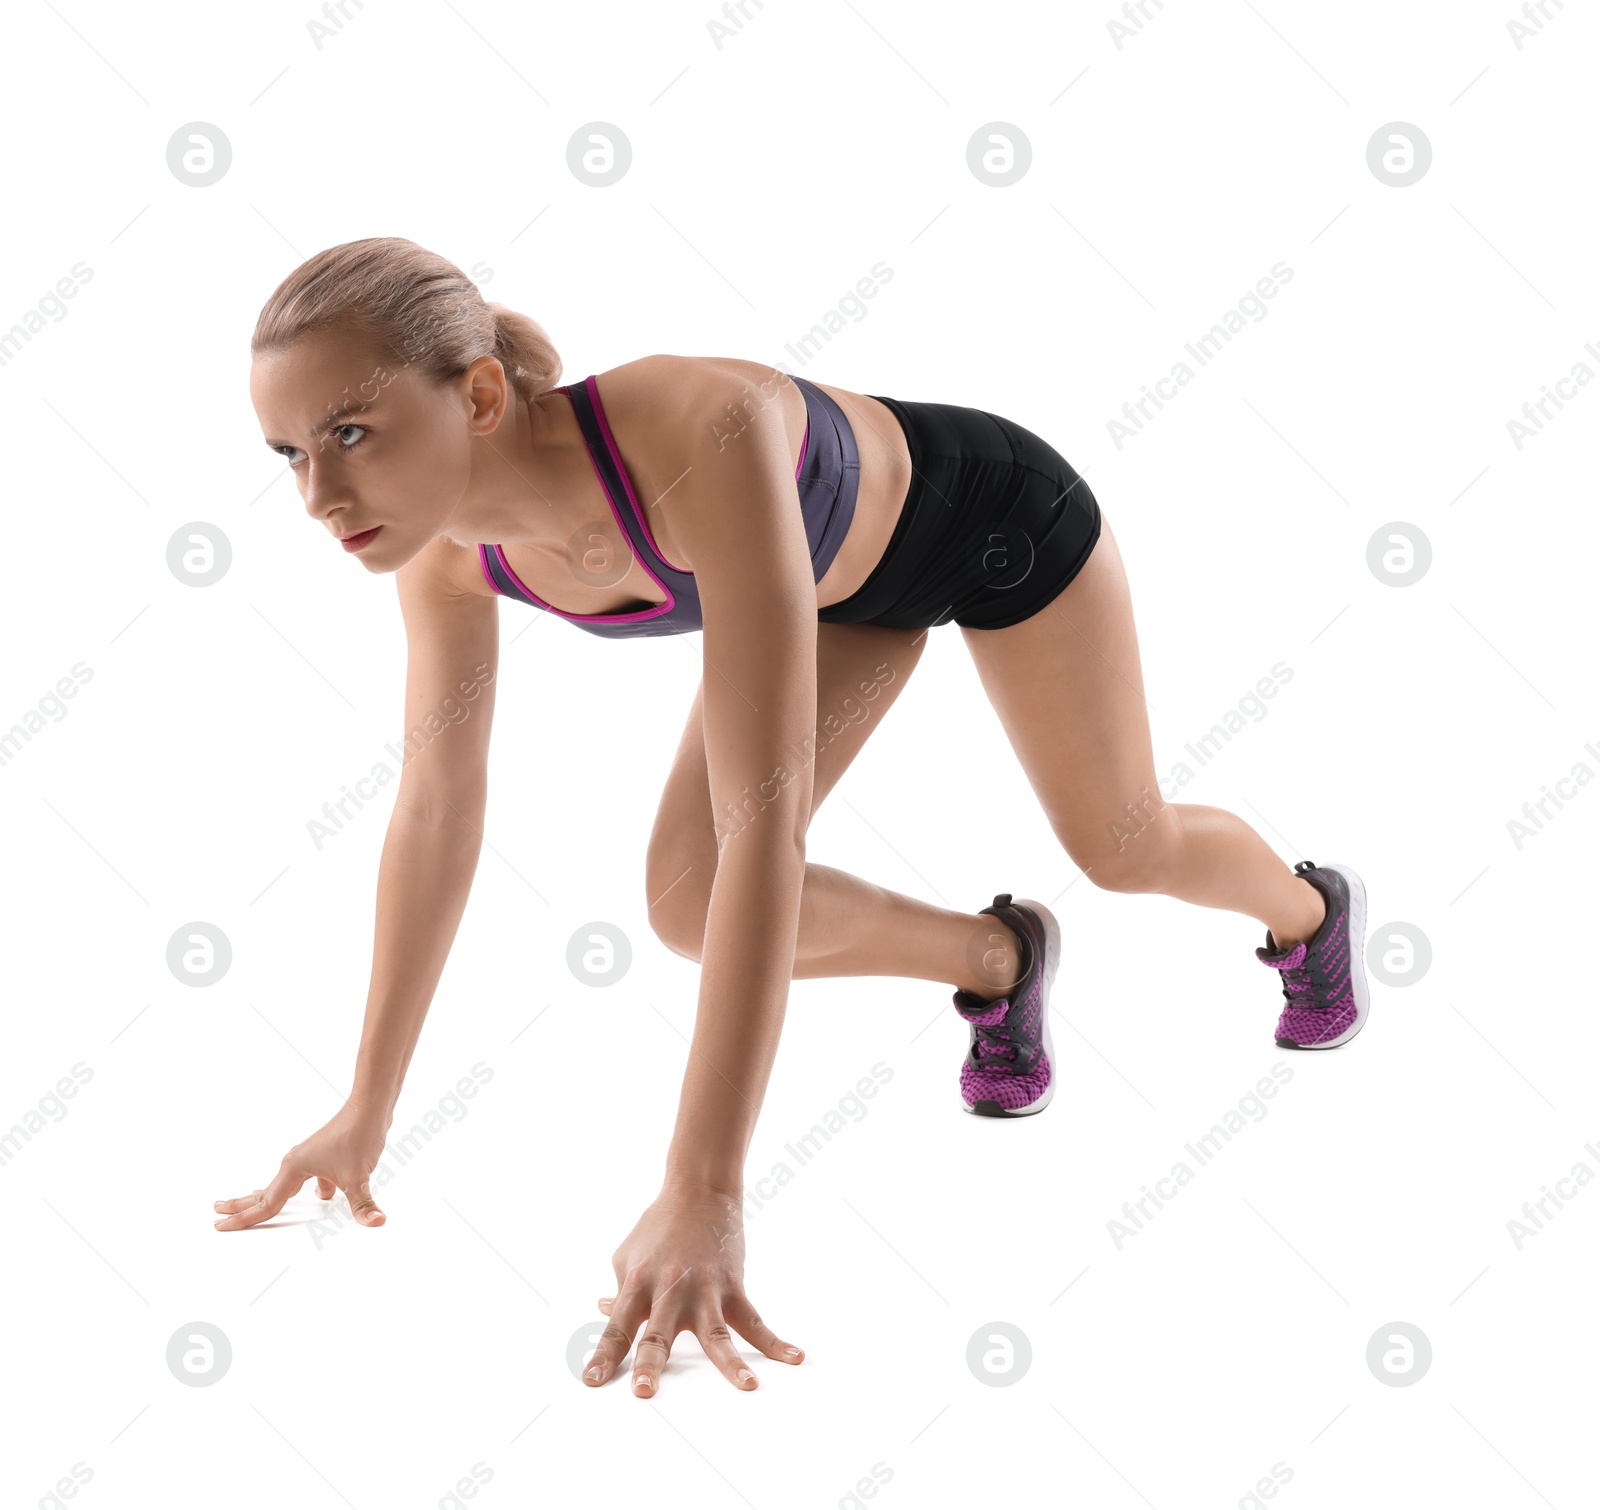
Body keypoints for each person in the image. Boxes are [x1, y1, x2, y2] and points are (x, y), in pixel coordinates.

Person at [216, 236, 1370, 1398]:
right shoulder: (448, 560)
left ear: (474, 394)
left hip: (991, 524)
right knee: (683, 906)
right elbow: (432, 812)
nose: (318, 497)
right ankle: (1001, 958)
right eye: (289, 455)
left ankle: (1309, 913)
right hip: (837, 595)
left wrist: (703, 1189)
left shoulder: (687, 431)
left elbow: (763, 826)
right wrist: (367, 1101)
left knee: (1124, 846)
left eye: (350, 435)